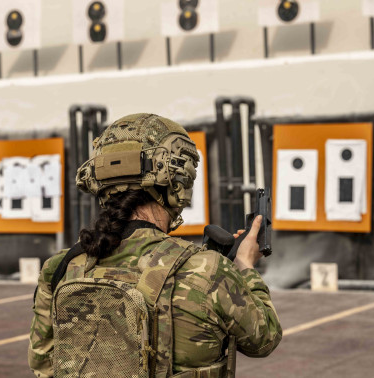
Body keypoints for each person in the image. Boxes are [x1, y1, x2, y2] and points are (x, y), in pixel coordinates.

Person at [28, 113, 282, 377]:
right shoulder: (208, 272)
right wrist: (244, 266)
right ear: (178, 181)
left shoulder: (61, 266)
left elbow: (43, 364)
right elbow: (265, 339)